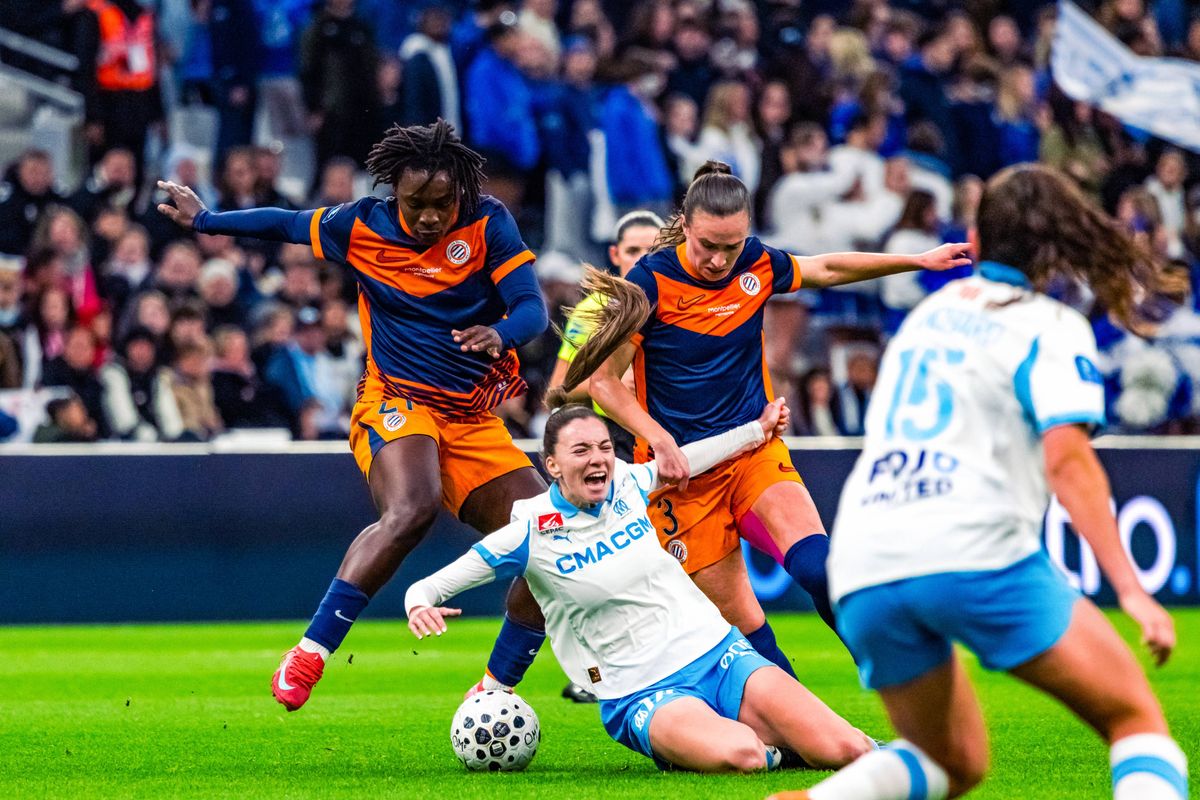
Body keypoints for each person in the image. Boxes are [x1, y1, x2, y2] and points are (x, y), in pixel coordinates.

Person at [768, 164, 1185, 800]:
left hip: (863, 561)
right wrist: (1131, 590)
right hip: (970, 549)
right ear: (1056, 247)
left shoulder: (928, 316)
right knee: (1137, 723)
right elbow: (1070, 462)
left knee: (951, 760)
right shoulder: (1049, 325)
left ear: (976, 237)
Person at [156, 120, 551, 712]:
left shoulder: (488, 221)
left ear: (461, 193)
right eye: (416, 204)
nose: (429, 217)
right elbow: (286, 224)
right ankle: (310, 652)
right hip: (396, 399)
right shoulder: (362, 224)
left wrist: (501, 333)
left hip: (471, 418)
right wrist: (207, 220)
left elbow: (532, 309)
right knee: (413, 508)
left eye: (442, 204)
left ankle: (494, 692)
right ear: (394, 193)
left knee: (550, 543)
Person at [544, 162, 970, 666]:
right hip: (682, 480)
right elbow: (603, 382)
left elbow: (827, 269)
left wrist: (918, 260)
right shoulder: (650, 283)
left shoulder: (755, 261)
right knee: (748, 635)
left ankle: (903, 678)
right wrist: (658, 438)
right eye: (708, 246)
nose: (719, 260)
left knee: (820, 569)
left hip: (753, 451)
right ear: (686, 227)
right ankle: (798, 719)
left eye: (731, 246)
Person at [405, 402, 875, 772]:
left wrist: (757, 431)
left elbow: (689, 460)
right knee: (745, 755)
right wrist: (419, 603)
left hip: (720, 653)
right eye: (581, 450)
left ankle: (791, 740)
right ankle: (740, 741)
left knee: (848, 748)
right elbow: (431, 586)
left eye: (604, 447)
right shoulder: (528, 532)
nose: (598, 459)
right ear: (552, 465)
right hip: (643, 692)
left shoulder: (629, 481)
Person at [548, 211, 664, 461]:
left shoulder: (681, 303)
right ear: (615, 254)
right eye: (632, 251)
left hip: (674, 426)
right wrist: (608, 382)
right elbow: (558, 389)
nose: (642, 260)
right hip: (618, 437)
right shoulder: (594, 310)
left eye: (652, 251)